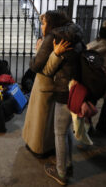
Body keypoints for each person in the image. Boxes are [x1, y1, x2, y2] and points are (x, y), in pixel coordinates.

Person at [22, 10, 73, 158]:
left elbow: (47, 69)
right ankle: (34, 144)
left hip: (46, 86)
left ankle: (39, 149)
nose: (42, 27)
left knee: (42, 123)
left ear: (52, 24)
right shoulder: (51, 39)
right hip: (43, 85)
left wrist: (50, 53)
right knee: (39, 120)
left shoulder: (56, 40)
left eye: (44, 23)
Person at [42, 19, 84, 186]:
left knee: (59, 133)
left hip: (64, 93)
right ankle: (67, 164)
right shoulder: (79, 43)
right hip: (76, 91)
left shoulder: (63, 48)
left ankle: (60, 173)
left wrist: (55, 53)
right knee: (66, 131)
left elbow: (47, 70)